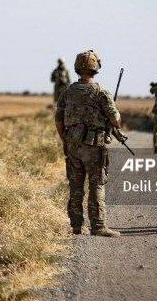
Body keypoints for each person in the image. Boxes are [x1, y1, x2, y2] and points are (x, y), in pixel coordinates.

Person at [55, 49, 126, 237]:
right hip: (94, 147)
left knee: (75, 185)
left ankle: (77, 226)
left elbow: (58, 120)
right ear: (96, 68)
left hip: (72, 145)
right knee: (96, 184)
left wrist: (66, 140)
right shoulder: (101, 92)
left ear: (77, 68)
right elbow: (116, 120)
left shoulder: (67, 92)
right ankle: (98, 226)